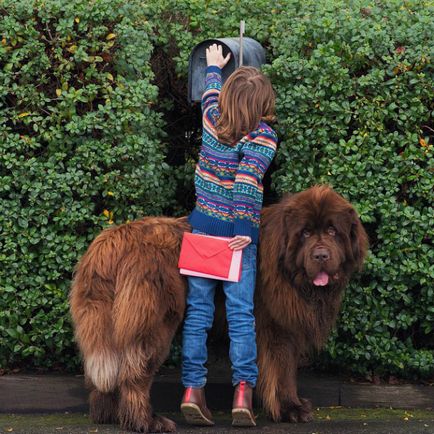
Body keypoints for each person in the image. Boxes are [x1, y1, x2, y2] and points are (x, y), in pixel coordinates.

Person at [180, 43, 278, 427]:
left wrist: (215, 67)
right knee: (240, 317)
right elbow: (246, 181)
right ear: (262, 105)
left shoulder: (211, 119)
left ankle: (192, 390)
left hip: (202, 230)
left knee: (198, 315)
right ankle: (242, 394)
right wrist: (244, 231)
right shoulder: (263, 136)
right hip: (237, 240)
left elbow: (208, 95)